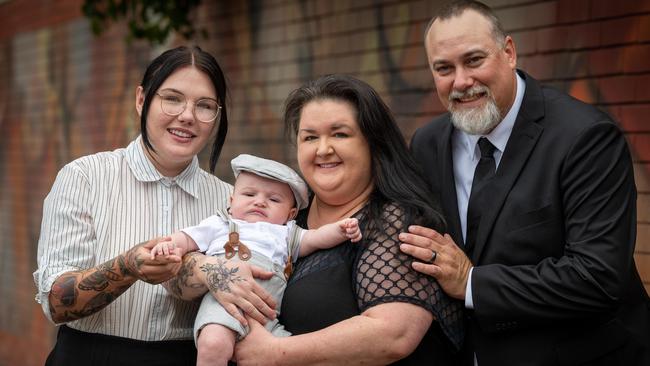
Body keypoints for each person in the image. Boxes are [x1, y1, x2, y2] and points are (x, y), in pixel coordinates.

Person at [400, 1, 650, 365]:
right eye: (443, 68)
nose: (461, 81)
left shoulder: (585, 136)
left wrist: (472, 282)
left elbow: (597, 277)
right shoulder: (427, 143)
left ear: (509, 52)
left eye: (473, 60)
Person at [33, 46, 277, 366]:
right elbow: (57, 303)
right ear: (141, 100)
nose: (187, 116)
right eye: (172, 98)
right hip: (90, 355)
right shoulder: (85, 178)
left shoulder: (230, 201)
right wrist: (128, 266)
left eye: (204, 106)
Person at [230, 74, 465, 365]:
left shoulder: (396, 222)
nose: (323, 149)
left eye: (340, 134)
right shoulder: (283, 216)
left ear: (372, 143)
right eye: (310, 137)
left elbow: (393, 334)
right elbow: (215, 247)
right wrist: (204, 268)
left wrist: (274, 353)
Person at [151, 153, 362, 365]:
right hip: (225, 301)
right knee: (213, 343)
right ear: (231, 201)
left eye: (273, 199)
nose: (260, 202)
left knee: (288, 354)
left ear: (291, 214)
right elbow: (187, 238)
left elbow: (316, 238)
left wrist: (341, 229)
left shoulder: (287, 233)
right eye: (249, 194)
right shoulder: (221, 223)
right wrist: (171, 245)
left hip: (267, 311)